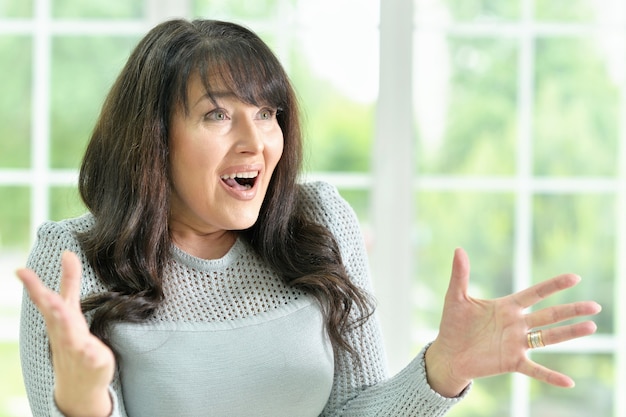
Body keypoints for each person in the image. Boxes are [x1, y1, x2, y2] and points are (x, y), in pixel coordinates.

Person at [16, 18, 601, 417]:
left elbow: (355, 410)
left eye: (267, 113)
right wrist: (84, 398)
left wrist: (441, 369)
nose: (255, 141)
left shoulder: (317, 224)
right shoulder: (73, 261)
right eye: (218, 115)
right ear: (152, 140)